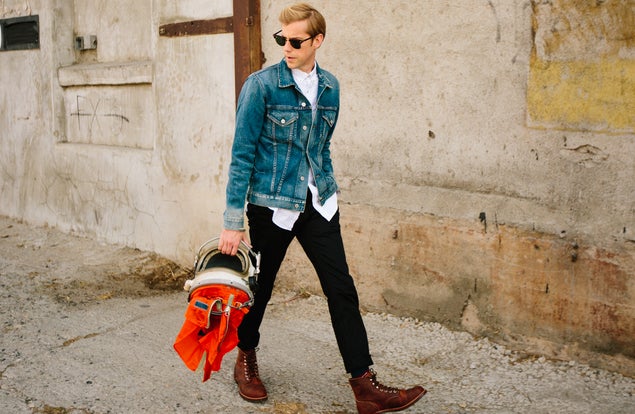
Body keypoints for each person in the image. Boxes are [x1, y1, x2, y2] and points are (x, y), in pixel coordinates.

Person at [218, 3, 426, 413]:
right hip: (272, 205)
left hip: (318, 205)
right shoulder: (260, 86)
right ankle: (245, 358)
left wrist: (328, 189)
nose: (287, 47)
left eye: (296, 41)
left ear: (318, 41)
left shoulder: (330, 86)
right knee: (260, 291)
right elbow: (241, 156)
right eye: (282, 39)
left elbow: (321, 146)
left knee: (341, 290)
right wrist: (232, 220)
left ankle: (365, 386)